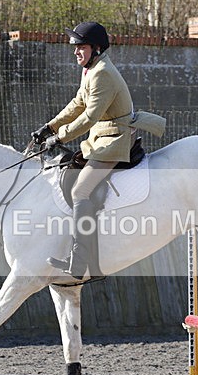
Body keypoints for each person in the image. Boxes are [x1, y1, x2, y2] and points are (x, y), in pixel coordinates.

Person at [31, 21, 134, 280]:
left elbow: (89, 116)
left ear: (96, 48)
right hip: (99, 138)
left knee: (81, 190)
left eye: (81, 47)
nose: (76, 52)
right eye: (75, 48)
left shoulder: (102, 73)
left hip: (114, 140)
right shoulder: (91, 69)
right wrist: (50, 126)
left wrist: (59, 137)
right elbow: (77, 103)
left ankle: (79, 261)